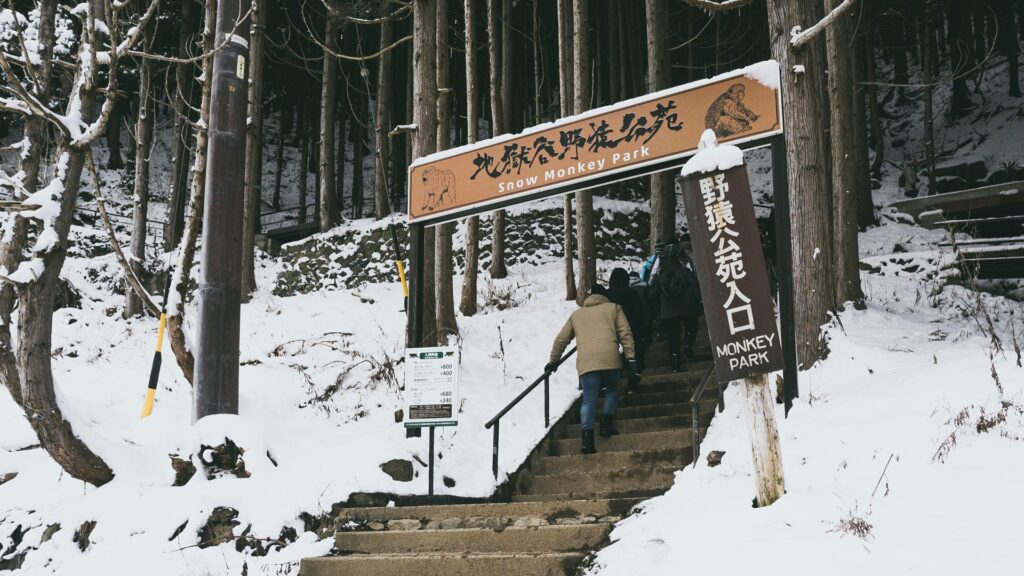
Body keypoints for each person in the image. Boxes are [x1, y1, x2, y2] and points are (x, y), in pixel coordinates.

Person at [547, 283, 637, 454]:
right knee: (612, 390)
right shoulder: (614, 308)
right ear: (605, 296)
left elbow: (561, 339)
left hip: (587, 361)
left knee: (589, 400)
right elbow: (625, 333)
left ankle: (587, 441)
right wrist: (630, 357)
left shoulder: (577, 314)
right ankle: (606, 424)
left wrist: (553, 361)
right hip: (610, 357)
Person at [649, 244, 702, 372]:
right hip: (688, 308)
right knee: (692, 327)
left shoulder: (659, 276)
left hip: (668, 311)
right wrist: (698, 303)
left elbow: (652, 295)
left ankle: (675, 365)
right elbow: (695, 287)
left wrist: (658, 311)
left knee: (673, 339)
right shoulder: (685, 271)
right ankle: (687, 343)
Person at [607, 268, 648, 393]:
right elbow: (640, 313)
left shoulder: (607, 295)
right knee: (632, 356)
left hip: (611, 330)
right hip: (632, 328)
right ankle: (632, 384)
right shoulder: (631, 293)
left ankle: (608, 385)